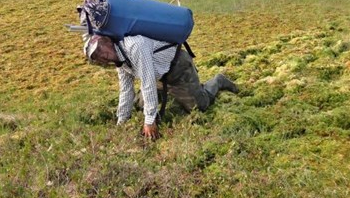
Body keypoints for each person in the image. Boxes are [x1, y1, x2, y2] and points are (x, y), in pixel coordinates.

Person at [84, 34, 238, 140]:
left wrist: (149, 121)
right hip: (158, 73)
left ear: (109, 42)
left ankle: (219, 81)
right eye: (97, 56)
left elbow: (148, 83)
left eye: (101, 49)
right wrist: (121, 122)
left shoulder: (135, 46)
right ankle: (167, 95)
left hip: (177, 68)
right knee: (140, 104)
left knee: (200, 105)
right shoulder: (118, 60)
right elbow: (126, 90)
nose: (102, 56)